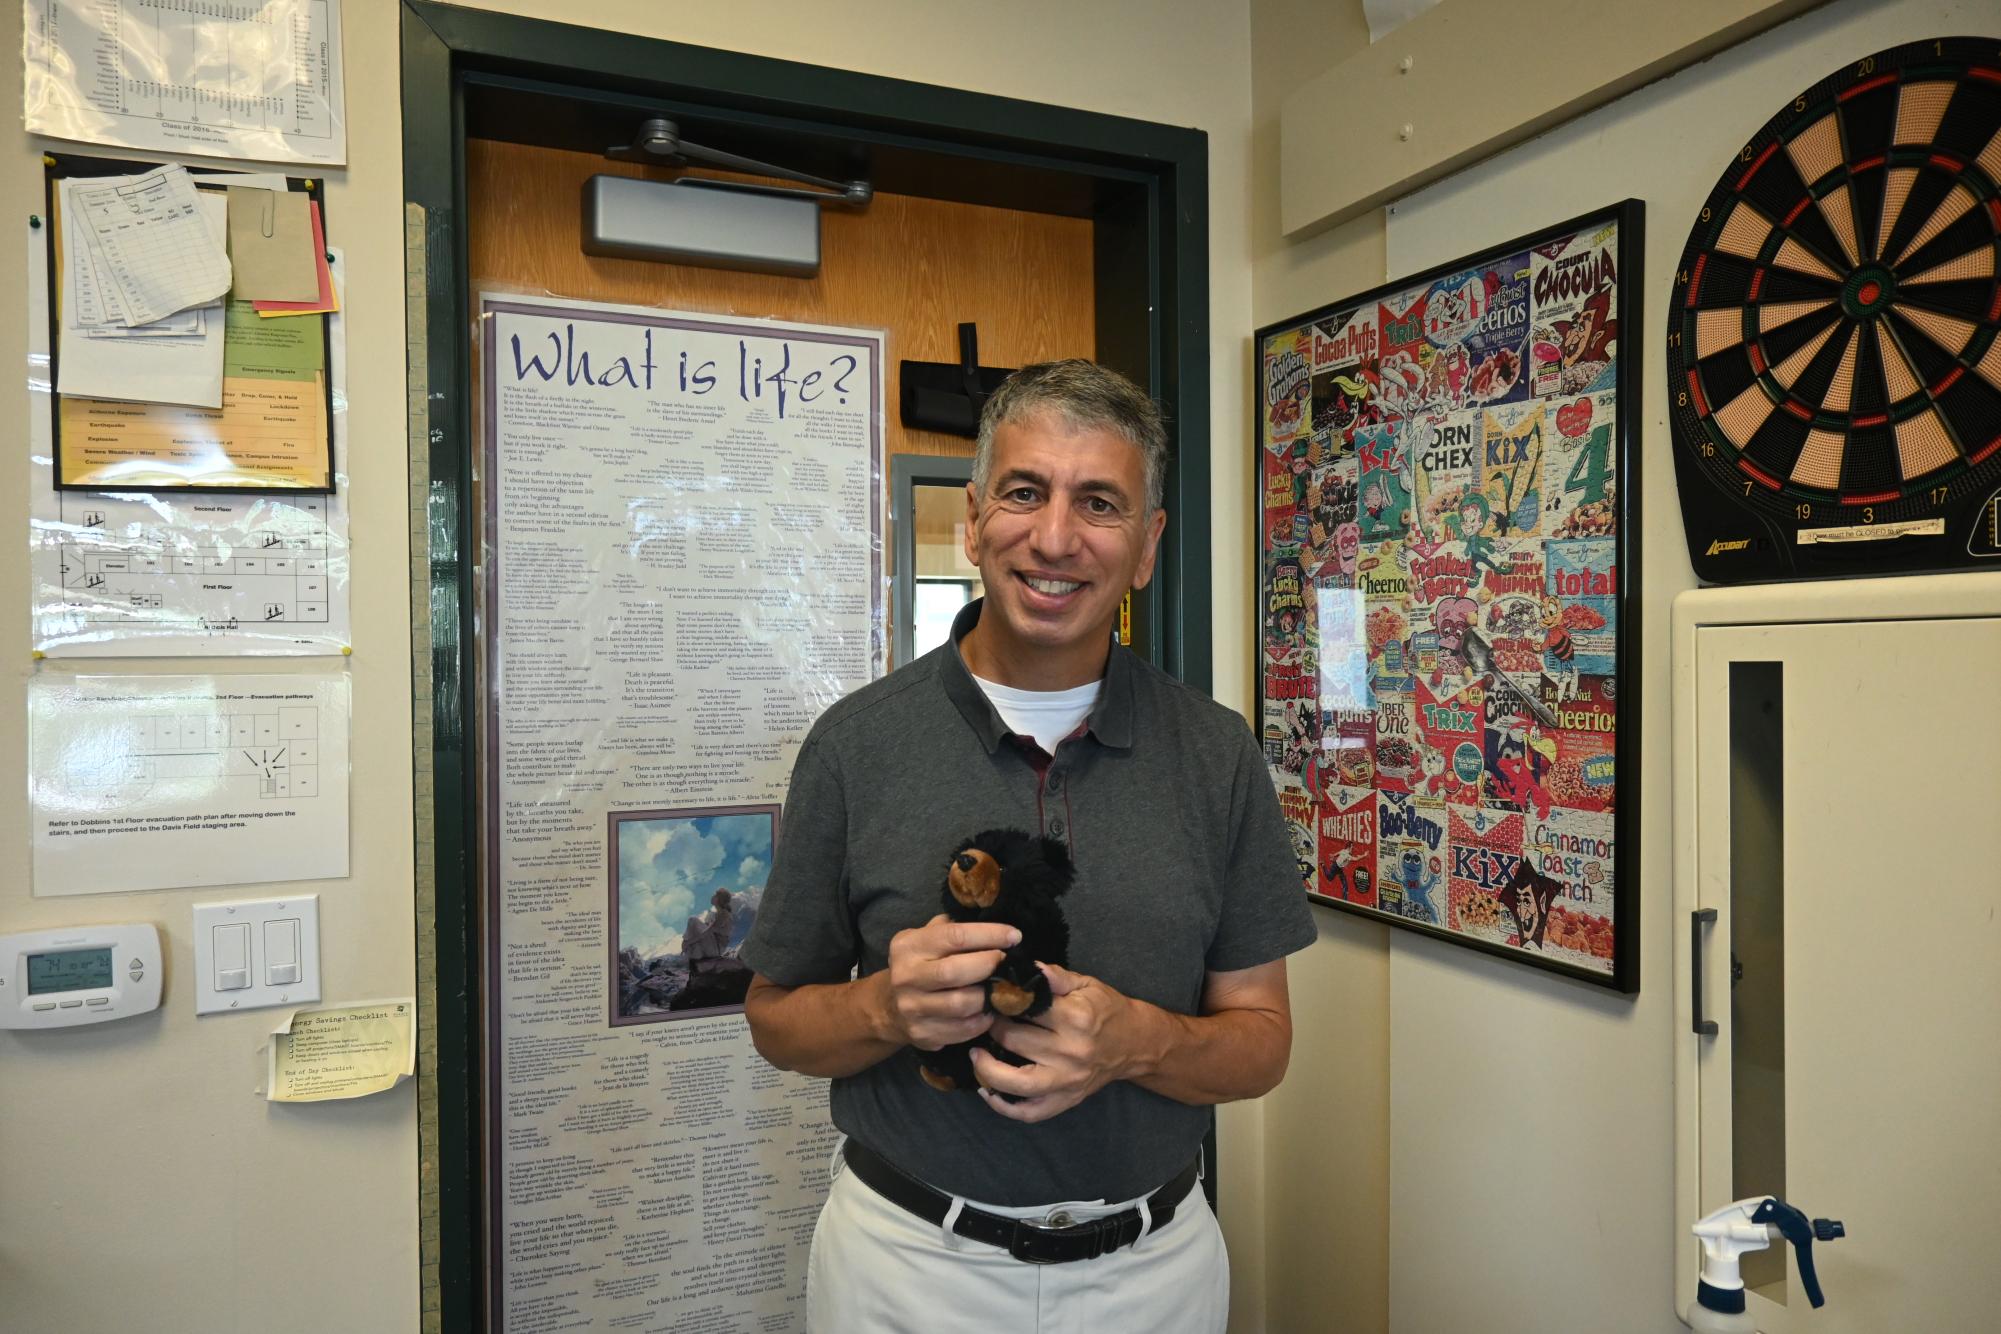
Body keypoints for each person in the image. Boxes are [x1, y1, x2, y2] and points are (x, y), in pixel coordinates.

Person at [740, 360, 1316, 1331]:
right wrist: (887, 1004)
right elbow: (776, 1019)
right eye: (1024, 491)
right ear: (973, 519)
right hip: (909, 1266)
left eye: (1099, 502)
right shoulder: (856, 743)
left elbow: (1262, 1045)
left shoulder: (1217, 754)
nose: (1055, 537)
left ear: (1146, 546)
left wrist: (1137, 1040)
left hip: (1155, 1271)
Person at [682, 888, 735, 973]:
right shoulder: (716, 914)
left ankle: (686, 944)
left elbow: (707, 933)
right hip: (713, 947)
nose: (713, 896)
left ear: (719, 899)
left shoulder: (724, 914)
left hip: (716, 949)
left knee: (692, 920)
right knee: (695, 943)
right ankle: (695, 961)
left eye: (715, 895)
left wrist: (687, 942)